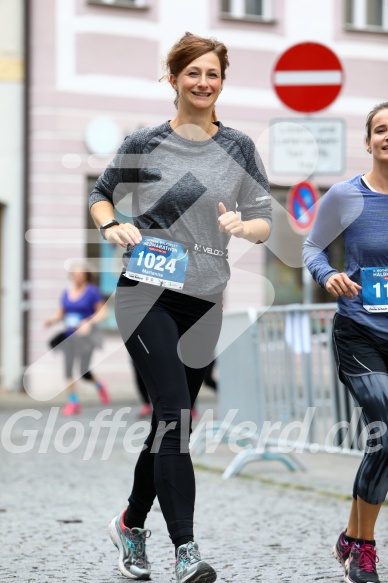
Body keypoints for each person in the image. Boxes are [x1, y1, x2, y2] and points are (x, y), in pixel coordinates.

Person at [90, 32, 271, 583]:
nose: (203, 82)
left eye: (212, 73)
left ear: (222, 81)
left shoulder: (238, 147)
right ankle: (186, 548)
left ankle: (130, 523)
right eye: (192, 72)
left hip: (203, 303)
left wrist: (247, 226)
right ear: (173, 80)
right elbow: (100, 193)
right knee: (173, 412)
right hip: (145, 291)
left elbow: (265, 217)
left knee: (171, 425)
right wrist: (111, 223)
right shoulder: (143, 143)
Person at [303, 101, 388, 583]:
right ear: (368, 140)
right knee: (387, 430)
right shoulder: (345, 196)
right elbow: (312, 246)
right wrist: (328, 273)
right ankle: (365, 550)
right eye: (380, 130)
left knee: (383, 442)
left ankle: (353, 537)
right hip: (359, 331)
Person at [44, 264, 110, 415]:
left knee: (83, 372)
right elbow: (61, 314)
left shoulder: (92, 292)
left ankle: (100, 385)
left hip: (86, 337)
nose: (78, 277)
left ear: (86, 276)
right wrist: (51, 320)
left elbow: (103, 313)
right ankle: (73, 402)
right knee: (67, 369)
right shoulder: (67, 293)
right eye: (75, 274)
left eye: (81, 274)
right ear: (72, 276)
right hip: (69, 336)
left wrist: (88, 322)